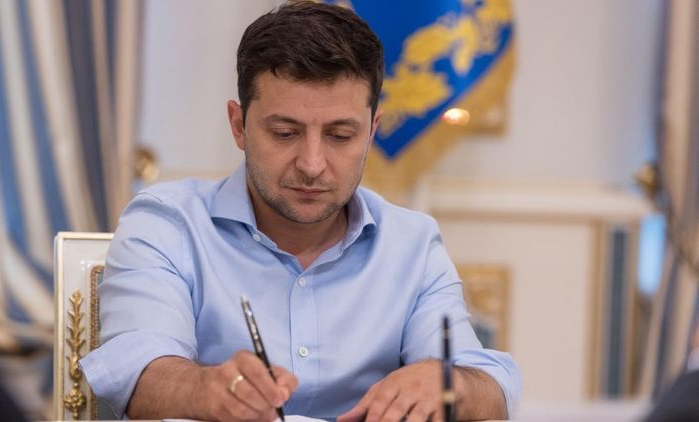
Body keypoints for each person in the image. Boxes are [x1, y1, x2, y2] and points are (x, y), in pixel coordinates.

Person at [80, 1, 521, 420]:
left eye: (340, 136)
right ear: (239, 125)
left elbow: (493, 387)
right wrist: (207, 389)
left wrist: (451, 385)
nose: (312, 165)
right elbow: (138, 373)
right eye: (285, 133)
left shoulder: (413, 244)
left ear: (372, 132)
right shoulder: (167, 225)